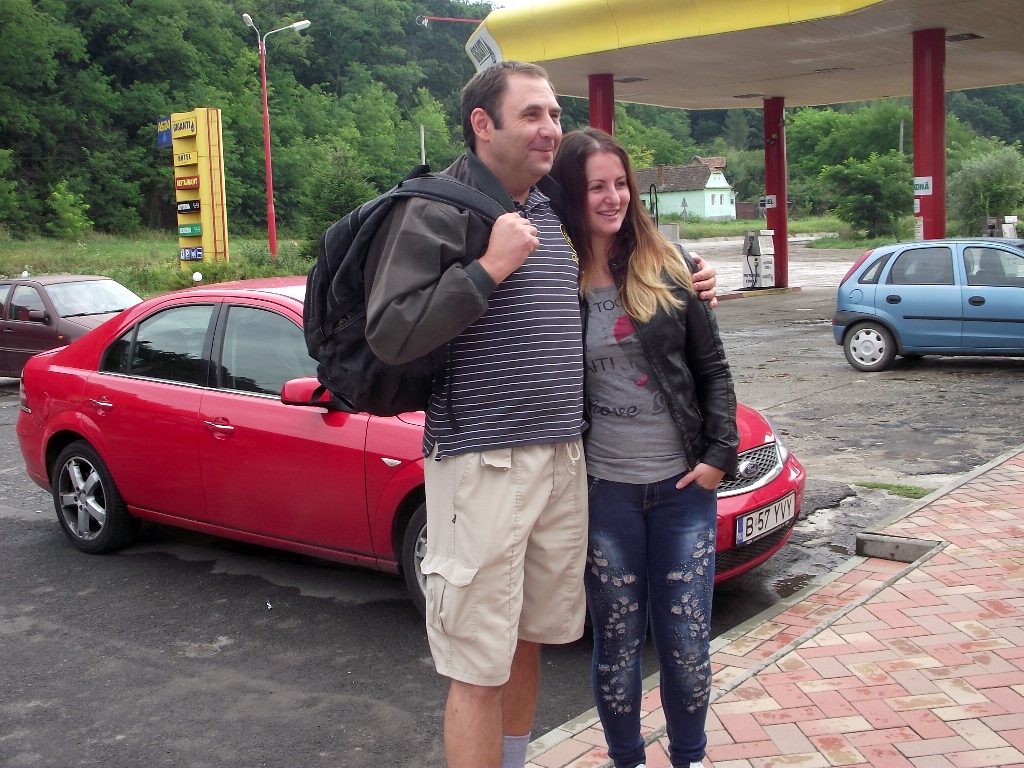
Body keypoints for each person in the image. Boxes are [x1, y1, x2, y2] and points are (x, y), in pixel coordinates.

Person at [364, 63, 718, 768]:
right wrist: (487, 269)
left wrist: (690, 270)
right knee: (477, 665)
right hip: (483, 463)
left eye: (554, 114)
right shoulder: (440, 208)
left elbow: (620, 237)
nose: (550, 128)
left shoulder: (548, 205)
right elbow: (391, 331)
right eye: (531, 114)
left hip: (562, 460)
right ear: (482, 123)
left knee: (525, 640)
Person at [550, 128, 739, 768]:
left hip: (683, 491)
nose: (613, 198)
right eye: (595, 187)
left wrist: (718, 456)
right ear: (571, 194)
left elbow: (712, 370)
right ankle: (625, 759)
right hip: (606, 494)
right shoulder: (555, 279)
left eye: (620, 184)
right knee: (618, 642)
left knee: (686, 642)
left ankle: (689, 757)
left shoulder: (672, 266)